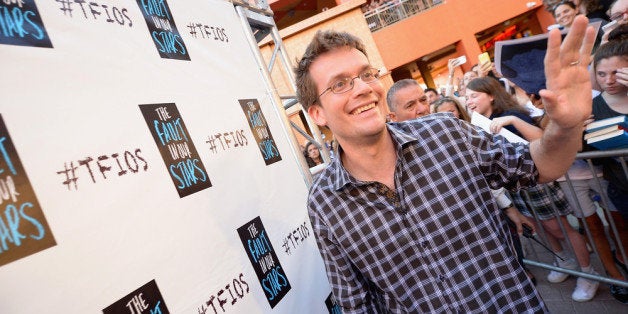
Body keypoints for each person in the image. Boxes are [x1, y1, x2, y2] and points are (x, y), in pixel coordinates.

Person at [294, 15, 595, 311]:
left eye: (367, 74)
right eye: (340, 84)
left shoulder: (446, 133)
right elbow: (356, 302)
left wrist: (565, 126)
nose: (363, 88)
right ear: (317, 114)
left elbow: (541, 166)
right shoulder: (324, 202)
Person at [466, 76, 601, 302]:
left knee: (560, 227)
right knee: (539, 225)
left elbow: (541, 139)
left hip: (539, 179)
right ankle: (563, 260)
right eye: (467, 97)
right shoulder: (479, 123)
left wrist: (513, 121)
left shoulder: (511, 115)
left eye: (474, 96)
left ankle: (589, 273)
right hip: (515, 184)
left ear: (490, 95)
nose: (469, 101)